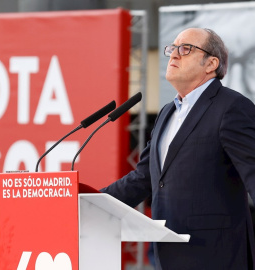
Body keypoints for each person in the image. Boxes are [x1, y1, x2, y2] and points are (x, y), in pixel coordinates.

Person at [101, 28, 255, 270]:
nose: (173, 55)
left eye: (185, 49)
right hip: (169, 253)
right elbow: (143, 178)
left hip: (216, 256)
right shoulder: (166, 113)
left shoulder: (232, 108)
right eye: (172, 48)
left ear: (211, 63)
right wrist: (87, 202)